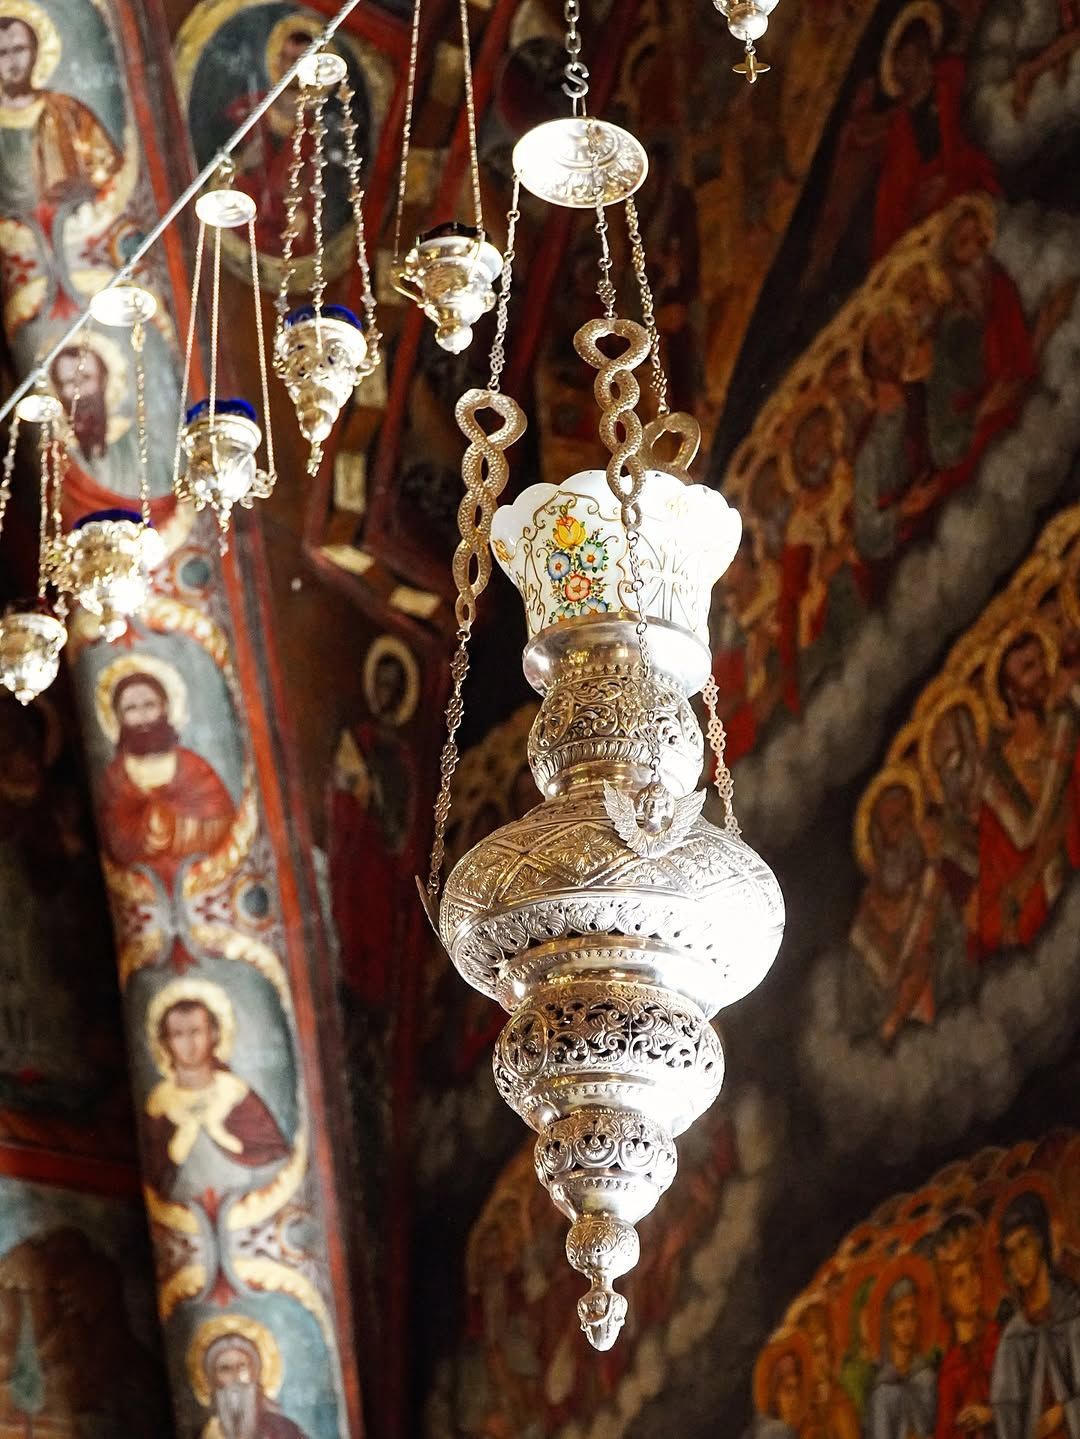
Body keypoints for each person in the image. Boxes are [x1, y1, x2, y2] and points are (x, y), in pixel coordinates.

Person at [977, 629, 1080, 956]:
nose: (1041, 673)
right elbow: (1016, 846)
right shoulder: (995, 777)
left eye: (1040, 661)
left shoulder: (1067, 729)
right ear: (1010, 692)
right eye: (1027, 668)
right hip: (1045, 923)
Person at [872, 4, 1000, 258]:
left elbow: (987, 127)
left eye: (907, 50)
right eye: (897, 57)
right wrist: (917, 209)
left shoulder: (955, 76)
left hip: (984, 192)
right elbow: (891, 213)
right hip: (944, 231)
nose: (903, 62)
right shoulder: (900, 130)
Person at [142, 989, 289, 1205]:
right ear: (166, 1043)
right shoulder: (160, 1104)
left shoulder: (235, 1093)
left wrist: (223, 1136)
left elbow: (275, 1156)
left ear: (213, 1035)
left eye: (196, 1032)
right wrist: (177, 1149)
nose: (189, 1044)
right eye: (178, 1034)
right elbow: (156, 1175)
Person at [928, 203, 1035, 496]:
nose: (976, 249)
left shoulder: (997, 280)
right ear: (949, 258)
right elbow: (945, 427)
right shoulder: (950, 327)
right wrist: (982, 410)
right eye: (964, 243)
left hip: (1012, 392)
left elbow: (1017, 347)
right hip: (975, 428)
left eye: (979, 237)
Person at [98, 672, 236, 892]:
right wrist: (144, 833)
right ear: (118, 717)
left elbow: (224, 822)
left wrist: (176, 826)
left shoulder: (193, 766)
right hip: (141, 887)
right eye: (131, 709)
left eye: (149, 705)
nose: (142, 716)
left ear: (165, 708)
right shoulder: (115, 776)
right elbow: (112, 837)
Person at [0, 14, 121, 223]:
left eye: (19, 50)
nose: (12, 62)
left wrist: (87, 189)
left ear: (35, 52)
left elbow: (109, 172)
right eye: (2, 53)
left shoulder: (68, 111)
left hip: (73, 226)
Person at [849, 776, 941, 1047]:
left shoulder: (931, 888)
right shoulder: (867, 910)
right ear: (877, 838)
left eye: (908, 818)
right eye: (893, 823)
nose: (904, 833)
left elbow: (926, 957)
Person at [990, 1189, 1080, 1439]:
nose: (1017, 1261)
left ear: (1042, 1243)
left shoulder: (1073, 1314)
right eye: (1010, 1252)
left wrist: (1064, 1413)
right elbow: (1005, 1412)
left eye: (1024, 1245)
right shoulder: (1013, 1336)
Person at [933, 1214, 1000, 1439]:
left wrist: (992, 1414)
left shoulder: (999, 1338)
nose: (972, 1286)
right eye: (960, 1282)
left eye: (974, 1273)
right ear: (947, 1294)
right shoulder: (950, 1366)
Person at [866, 1274, 938, 1439]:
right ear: (890, 1323)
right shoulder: (882, 1390)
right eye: (901, 1316)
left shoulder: (927, 1378)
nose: (908, 1325)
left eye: (913, 1315)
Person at [199, 1331, 309, 1439]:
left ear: (254, 1373)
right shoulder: (204, 1432)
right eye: (225, 1369)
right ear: (214, 1379)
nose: (235, 1376)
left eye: (242, 1366)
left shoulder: (284, 1429)